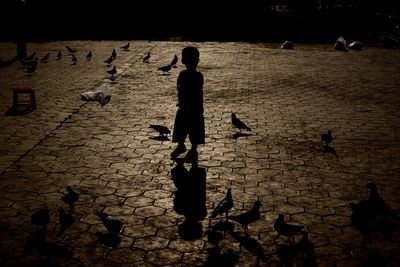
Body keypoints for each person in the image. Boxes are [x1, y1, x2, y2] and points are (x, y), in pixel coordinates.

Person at [170, 46, 205, 162]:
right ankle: (183, 146)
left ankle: (192, 150)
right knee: (182, 128)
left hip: (191, 108)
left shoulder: (191, 75)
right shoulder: (191, 75)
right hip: (188, 108)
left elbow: (180, 88)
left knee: (193, 129)